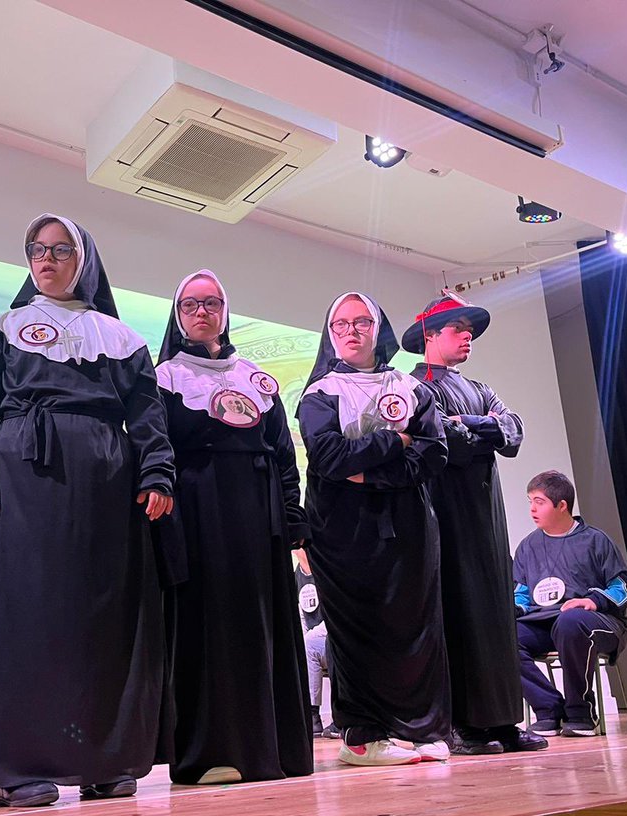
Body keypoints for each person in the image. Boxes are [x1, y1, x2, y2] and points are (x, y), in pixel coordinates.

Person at [0, 214, 175, 808]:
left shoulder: (120, 338)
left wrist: (157, 473)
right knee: (18, 617)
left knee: (102, 620)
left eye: (59, 249)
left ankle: (104, 760)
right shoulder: (1, 330)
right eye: (37, 249)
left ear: (84, 260)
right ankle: (16, 767)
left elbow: (147, 416)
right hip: (19, 485)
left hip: (106, 488)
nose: (46, 259)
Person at [154, 269, 312, 785]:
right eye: (190, 304)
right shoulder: (164, 378)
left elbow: (283, 454)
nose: (201, 312)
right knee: (206, 626)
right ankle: (208, 753)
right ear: (178, 316)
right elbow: (156, 451)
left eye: (211, 303)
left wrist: (292, 515)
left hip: (258, 514)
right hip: (197, 512)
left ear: (225, 311)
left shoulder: (257, 378)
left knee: (262, 624)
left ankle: (271, 749)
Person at [298, 291, 451, 766]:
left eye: (361, 321)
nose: (351, 331)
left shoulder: (411, 388)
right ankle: (362, 737)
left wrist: (368, 472)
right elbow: (328, 458)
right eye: (340, 323)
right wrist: (395, 440)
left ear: (377, 328)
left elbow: (433, 453)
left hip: (408, 524)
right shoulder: (319, 394)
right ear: (330, 333)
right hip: (341, 532)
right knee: (355, 632)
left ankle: (424, 730)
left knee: (416, 625)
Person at [404, 290, 546, 755]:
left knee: (495, 615)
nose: (468, 337)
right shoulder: (414, 387)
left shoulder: (481, 388)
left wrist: (475, 423)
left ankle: (503, 722)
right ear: (430, 335)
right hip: (446, 515)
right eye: (457, 329)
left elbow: (514, 431)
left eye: (470, 331)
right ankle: (462, 725)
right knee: (457, 611)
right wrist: (483, 426)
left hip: (488, 519)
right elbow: (448, 439)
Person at [514, 471, 627, 737]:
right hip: (545, 622)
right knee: (503, 637)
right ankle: (549, 709)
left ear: (562, 505)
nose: (532, 509)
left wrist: (593, 600)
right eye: (530, 502)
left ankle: (581, 711)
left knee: (570, 621)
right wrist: (511, 610)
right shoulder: (527, 547)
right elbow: (521, 595)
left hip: (596, 622)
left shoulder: (596, 540)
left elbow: (623, 589)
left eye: (539, 502)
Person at [293, 548, 339, 739]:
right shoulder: (297, 575)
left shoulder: (325, 568)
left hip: (333, 633)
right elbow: (301, 616)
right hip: (315, 642)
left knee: (310, 643)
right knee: (302, 646)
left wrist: (309, 637)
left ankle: (339, 715)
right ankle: (311, 715)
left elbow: (337, 610)